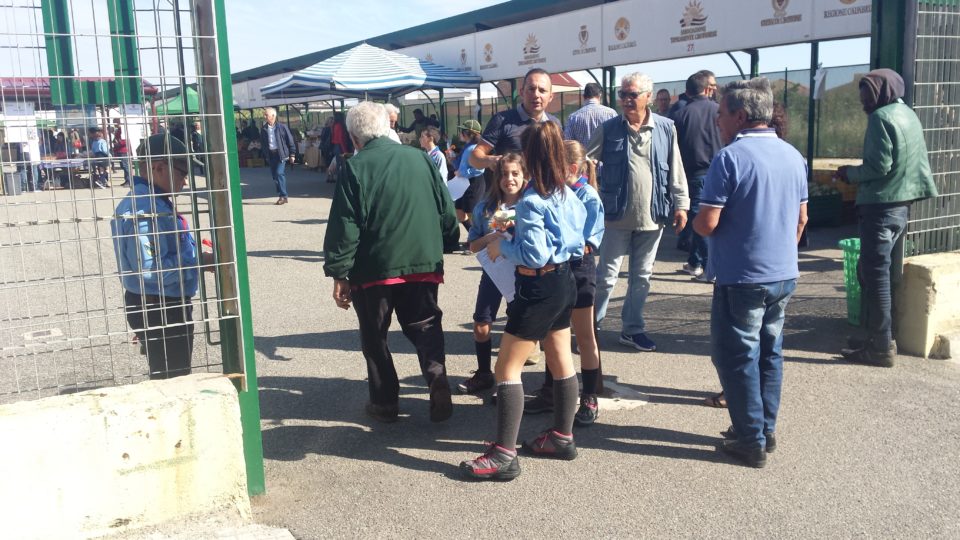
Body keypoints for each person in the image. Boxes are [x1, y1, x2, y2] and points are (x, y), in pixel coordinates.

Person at [459, 121, 586, 481]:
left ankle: (504, 454)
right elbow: (577, 235)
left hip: (537, 287)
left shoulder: (531, 201)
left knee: (506, 370)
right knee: (560, 359)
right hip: (564, 280)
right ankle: (562, 436)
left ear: (529, 157)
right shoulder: (565, 192)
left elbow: (533, 254)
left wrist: (503, 245)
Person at [693, 77, 808, 468]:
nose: (717, 122)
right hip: (783, 274)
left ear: (740, 116)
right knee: (769, 353)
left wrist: (696, 222)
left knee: (737, 356)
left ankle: (749, 440)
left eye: (721, 114)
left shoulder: (730, 158)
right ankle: (764, 430)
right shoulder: (793, 156)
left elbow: (707, 223)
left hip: (742, 276)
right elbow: (801, 219)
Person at [323, 102, 459, 423]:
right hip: (422, 263)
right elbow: (445, 207)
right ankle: (436, 378)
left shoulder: (355, 167)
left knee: (375, 335)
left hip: (374, 269)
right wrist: (448, 240)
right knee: (426, 326)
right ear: (388, 128)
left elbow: (345, 225)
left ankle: (384, 402)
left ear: (354, 138)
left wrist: (340, 273)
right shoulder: (421, 158)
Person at [836, 69, 938, 367]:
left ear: (882, 93)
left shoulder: (881, 118)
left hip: (880, 206)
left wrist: (848, 174)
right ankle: (877, 337)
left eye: (867, 96)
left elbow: (879, 167)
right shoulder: (908, 114)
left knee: (875, 276)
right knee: (875, 273)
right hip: (901, 205)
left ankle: (881, 346)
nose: (863, 102)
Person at [586, 72, 689, 352]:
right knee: (606, 277)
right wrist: (588, 196)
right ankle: (590, 329)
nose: (626, 100)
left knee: (642, 277)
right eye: (623, 94)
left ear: (648, 97)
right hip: (615, 216)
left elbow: (676, 168)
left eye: (633, 94)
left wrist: (681, 205)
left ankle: (632, 330)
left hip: (653, 217)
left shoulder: (666, 128)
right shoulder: (608, 128)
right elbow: (585, 162)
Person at [111, 134, 211, 380]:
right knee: (172, 379)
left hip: (161, 302)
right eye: (182, 173)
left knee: (170, 373)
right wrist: (197, 262)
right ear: (158, 168)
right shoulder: (146, 209)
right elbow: (152, 270)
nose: (185, 182)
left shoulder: (154, 201)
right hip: (160, 306)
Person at [524, 140, 606, 422]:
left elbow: (587, 242)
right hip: (554, 270)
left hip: (579, 269)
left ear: (570, 168)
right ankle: (551, 391)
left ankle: (590, 396)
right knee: (553, 334)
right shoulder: (554, 191)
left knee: (584, 336)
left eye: (554, 165)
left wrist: (554, 245)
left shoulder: (588, 196)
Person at [458, 153, 526, 395]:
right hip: (494, 273)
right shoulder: (485, 208)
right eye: (504, 174)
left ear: (524, 175)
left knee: (517, 329)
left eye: (515, 173)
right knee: (481, 324)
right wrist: (490, 237)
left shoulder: (531, 205)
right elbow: (473, 246)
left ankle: (509, 381)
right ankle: (484, 373)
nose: (509, 179)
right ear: (497, 178)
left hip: (524, 274)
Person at [670, 70, 724, 282]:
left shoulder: (680, 115)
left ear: (688, 91)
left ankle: (709, 267)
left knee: (699, 219)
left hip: (693, 174)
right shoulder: (721, 111)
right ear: (707, 89)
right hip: (720, 171)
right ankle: (697, 262)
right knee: (712, 217)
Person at [469, 68, 561, 170]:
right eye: (531, 89)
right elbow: (474, 158)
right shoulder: (502, 120)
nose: (536, 95)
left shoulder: (555, 124)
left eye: (542, 90)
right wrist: (491, 160)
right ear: (521, 92)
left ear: (551, 96)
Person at [452, 119, 487, 233]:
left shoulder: (474, 148)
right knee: (459, 212)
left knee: (471, 213)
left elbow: (479, 169)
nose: (460, 133)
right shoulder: (467, 147)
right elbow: (462, 165)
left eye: (462, 131)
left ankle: (478, 237)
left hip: (474, 183)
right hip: (464, 183)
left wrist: (462, 173)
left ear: (469, 133)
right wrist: (452, 160)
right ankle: (474, 235)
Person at [259, 107, 296, 205]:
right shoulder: (264, 129)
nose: (265, 116)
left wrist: (292, 154)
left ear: (273, 116)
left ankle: (283, 196)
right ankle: (282, 195)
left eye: (266, 115)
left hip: (281, 155)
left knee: (279, 173)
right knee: (275, 176)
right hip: (271, 155)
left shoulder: (282, 127)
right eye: (264, 115)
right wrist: (266, 154)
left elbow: (290, 140)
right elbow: (263, 143)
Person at [562, 82, 617, 148]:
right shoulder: (611, 114)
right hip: (605, 154)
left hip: (582, 154)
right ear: (600, 95)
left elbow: (568, 143)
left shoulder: (573, 117)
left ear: (584, 96)